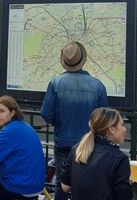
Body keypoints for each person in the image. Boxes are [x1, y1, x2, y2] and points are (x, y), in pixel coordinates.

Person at [40, 41, 108, 200]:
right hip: (90, 144)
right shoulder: (98, 85)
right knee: (88, 184)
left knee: (61, 184)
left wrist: (59, 123)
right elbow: (104, 119)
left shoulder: (55, 83)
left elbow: (46, 113)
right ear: (82, 59)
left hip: (63, 142)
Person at [0, 96, 45, 199]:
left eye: (2, 111)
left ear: (12, 113)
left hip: (20, 187)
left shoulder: (10, 131)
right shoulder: (25, 126)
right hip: (35, 186)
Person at [60, 107, 132, 200]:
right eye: (122, 125)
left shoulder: (78, 149)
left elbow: (65, 187)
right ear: (111, 129)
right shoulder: (120, 159)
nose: (125, 129)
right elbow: (123, 196)